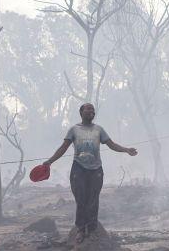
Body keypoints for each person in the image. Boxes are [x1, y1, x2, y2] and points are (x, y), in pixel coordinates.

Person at [42, 103, 137, 242]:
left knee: (93, 200)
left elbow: (111, 144)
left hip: (96, 169)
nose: (91, 111)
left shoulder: (99, 130)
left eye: (93, 109)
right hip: (78, 168)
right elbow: (63, 148)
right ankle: (80, 229)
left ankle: (92, 230)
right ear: (81, 112)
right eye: (88, 109)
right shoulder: (74, 130)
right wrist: (50, 161)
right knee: (81, 199)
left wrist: (126, 150)